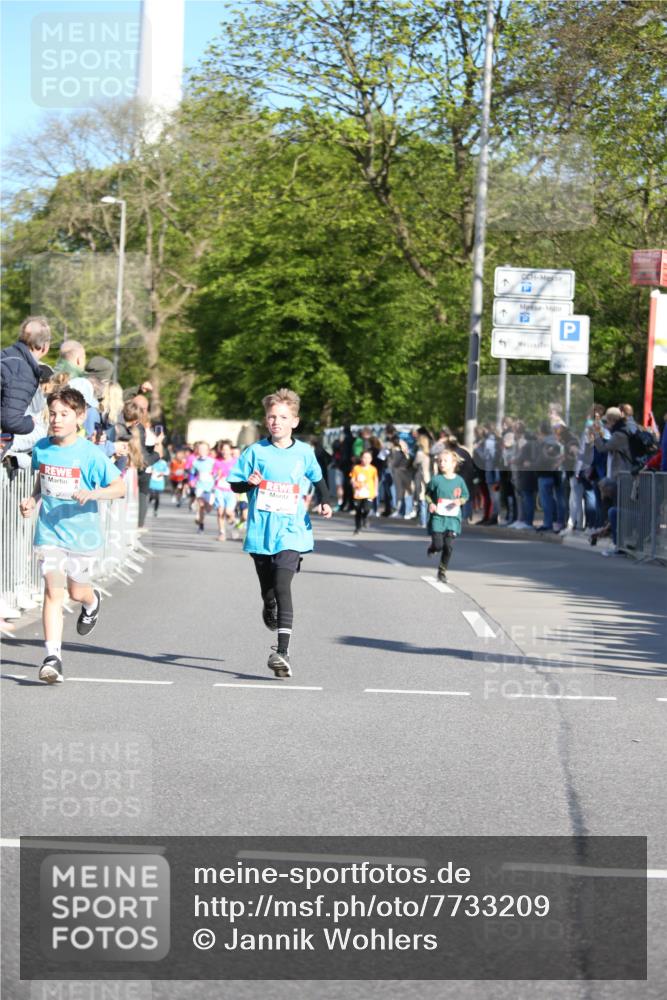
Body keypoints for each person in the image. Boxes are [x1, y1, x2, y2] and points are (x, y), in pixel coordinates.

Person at [19, 386, 125, 684]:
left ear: (80, 417)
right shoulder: (42, 447)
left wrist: (94, 492)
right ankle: (53, 657)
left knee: (77, 593)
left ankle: (91, 603)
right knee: (54, 592)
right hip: (49, 533)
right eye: (53, 413)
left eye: (64, 414)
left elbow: (120, 488)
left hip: (82, 537)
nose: (56, 419)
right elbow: (43, 482)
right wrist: (32, 500)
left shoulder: (90, 454)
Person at [228, 388, 332, 679]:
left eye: (283, 417)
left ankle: (282, 652)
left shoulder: (304, 453)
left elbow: (319, 479)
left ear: (294, 422)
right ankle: (268, 602)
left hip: (292, 530)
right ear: (266, 420)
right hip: (262, 531)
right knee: (269, 589)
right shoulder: (255, 452)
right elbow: (235, 484)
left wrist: (326, 501)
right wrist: (249, 483)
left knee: (284, 585)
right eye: (272, 417)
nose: (277, 422)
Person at [1, 316, 52, 438]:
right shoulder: (23, 371)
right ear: (44, 346)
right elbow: (11, 421)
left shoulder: (5, 355)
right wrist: (30, 423)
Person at [425, 450, 469, 583]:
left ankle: (442, 571)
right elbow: (427, 494)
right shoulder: (436, 480)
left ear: (454, 463)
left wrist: (459, 501)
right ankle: (433, 548)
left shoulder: (459, 481)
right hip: (438, 518)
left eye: (445, 461)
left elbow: (465, 495)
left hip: (453, 519)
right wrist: (431, 503)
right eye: (440, 461)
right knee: (439, 545)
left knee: (448, 546)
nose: (442, 463)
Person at [213, 440, 238, 540]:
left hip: (232, 490)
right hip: (219, 489)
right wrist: (217, 475)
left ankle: (233, 521)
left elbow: (241, 476)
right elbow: (213, 475)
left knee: (228, 512)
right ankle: (222, 533)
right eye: (223, 450)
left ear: (231, 450)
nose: (224, 452)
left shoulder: (236, 461)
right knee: (220, 511)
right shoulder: (217, 462)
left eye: (227, 450)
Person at [350, 449, 378, 534]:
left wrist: (376, 490)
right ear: (361, 458)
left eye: (368, 458)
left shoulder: (373, 469)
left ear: (371, 459)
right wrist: (353, 483)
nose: (366, 460)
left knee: (367, 508)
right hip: (358, 493)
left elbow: (375, 479)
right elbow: (352, 479)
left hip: (369, 492)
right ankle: (357, 528)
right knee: (358, 510)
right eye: (364, 457)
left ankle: (365, 517)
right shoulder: (356, 468)